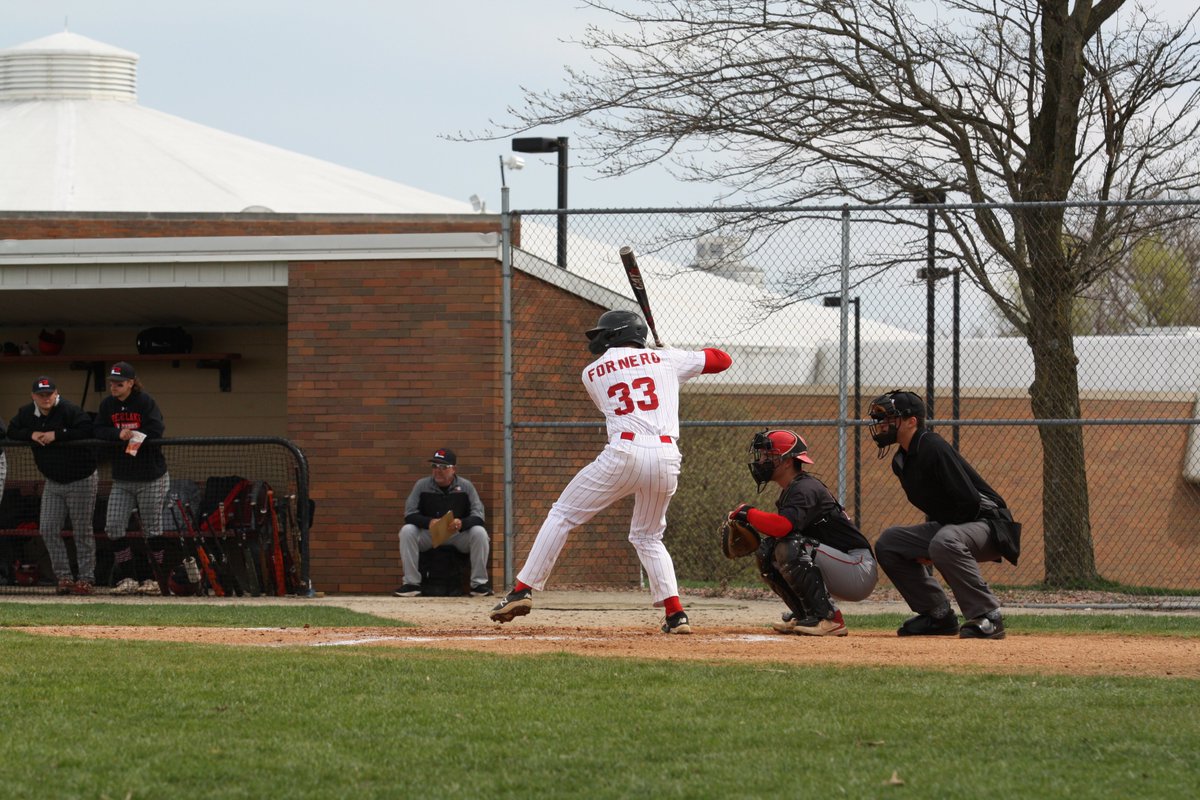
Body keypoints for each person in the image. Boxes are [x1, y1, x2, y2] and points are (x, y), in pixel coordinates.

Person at [489, 309, 733, 634]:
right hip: (666, 456)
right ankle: (676, 614)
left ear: (617, 334)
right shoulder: (667, 360)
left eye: (604, 334)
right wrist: (674, 353)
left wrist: (665, 357)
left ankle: (522, 590)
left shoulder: (591, 373)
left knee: (562, 514)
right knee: (649, 536)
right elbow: (723, 360)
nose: (599, 341)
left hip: (624, 453)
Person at [867, 390, 1011, 639]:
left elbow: (970, 501)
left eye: (890, 418)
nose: (882, 425)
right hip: (955, 527)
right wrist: (935, 541)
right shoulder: (902, 460)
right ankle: (937, 615)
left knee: (944, 540)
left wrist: (936, 544)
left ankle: (989, 615)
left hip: (990, 525)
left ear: (912, 421)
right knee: (890, 543)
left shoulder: (932, 446)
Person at [729, 429, 878, 636]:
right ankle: (807, 615)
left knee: (791, 546)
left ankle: (829, 619)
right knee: (767, 550)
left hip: (858, 567)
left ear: (788, 461)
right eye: (762, 455)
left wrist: (749, 513)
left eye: (768, 456)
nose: (761, 461)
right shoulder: (793, 489)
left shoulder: (805, 488)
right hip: (841, 563)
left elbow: (783, 527)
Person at [7, 376, 99, 595]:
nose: (45, 398)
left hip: (81, 478)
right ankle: (64, 578)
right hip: (53, 481)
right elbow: (11, 430)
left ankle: (86, 579)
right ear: (33, 396)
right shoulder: (27, 413)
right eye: (41, 394)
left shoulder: (69, 410)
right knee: (48, 528)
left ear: (56, 393)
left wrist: (56, 435)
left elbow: (88, 429)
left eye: (49, 394)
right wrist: (31, 434)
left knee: (82, 530)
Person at [93, 362, 169, 595]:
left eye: (119, 383)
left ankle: (153, 579)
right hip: (123, 478)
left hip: (151, 476)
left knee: (152, 528)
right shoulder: (107, 405)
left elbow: (157, 428)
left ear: (131, 383)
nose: (114, 387)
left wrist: (133, 435)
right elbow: (97, 429)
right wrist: (117, 433)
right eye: (112, 383)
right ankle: (127, 578)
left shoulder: (145, 402)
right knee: (114, 526)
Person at [393, 447, 492, 597]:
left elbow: (479, 516)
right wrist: (429, 522)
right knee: (407, 531)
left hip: (457, 535)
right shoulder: (422, 485)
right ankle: (411, 584)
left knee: (479, 533)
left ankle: (479, 585)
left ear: (454, 469)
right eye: (434, 466)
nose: (438, 471)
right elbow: (410, 514)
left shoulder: (466, 486)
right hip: (430, 534)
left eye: (443, 467)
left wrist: (461, 523)